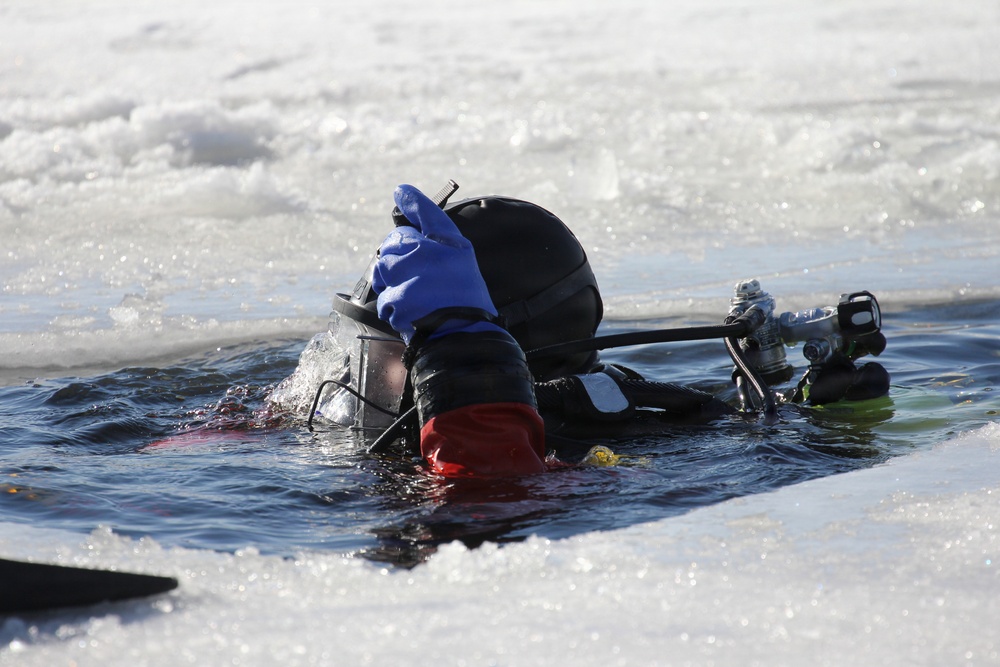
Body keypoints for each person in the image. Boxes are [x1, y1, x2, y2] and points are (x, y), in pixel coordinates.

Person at [315, 183, 888, 478]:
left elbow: (484, 504)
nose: (367, 375)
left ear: (502, 357)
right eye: (370, 349)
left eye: (403, 350)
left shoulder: (573, 455)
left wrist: (808, 416)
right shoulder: (362, 422)